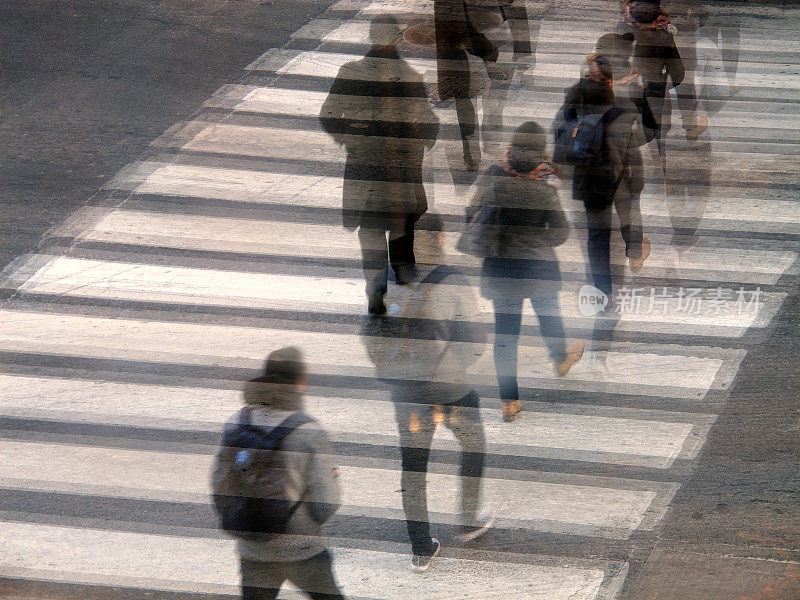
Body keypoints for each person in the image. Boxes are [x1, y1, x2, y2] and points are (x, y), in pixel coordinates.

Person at [361, 213, 492, 572]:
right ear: (438, 240)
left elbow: (370, 331)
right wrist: (457, 366)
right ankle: (467, 520)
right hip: (450, 388)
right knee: (473, 444)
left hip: (405, 392)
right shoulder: (453, 281)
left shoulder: (383, 279)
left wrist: (390, 371)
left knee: (413, 465)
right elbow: (475, 338)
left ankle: (420, 547)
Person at [319, 14, 440, 315]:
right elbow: (428, 124)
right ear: (398, 40)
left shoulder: (350, 72)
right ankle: (403, 268)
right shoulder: (411, 76)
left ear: (371, 38)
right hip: (400, 166)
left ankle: (375, 289)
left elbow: (328, 115)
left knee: (370, 228)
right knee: (400, 220)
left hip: (363, 166)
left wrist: (351, 139)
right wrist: (416, 143)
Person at [212, 347, 344, 600]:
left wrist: (243, 521)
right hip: (301, 549)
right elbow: (328, 499)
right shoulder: (307, 430)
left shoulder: (236, 422)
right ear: (300, 383)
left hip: (252, 548)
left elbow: (218, 481)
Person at [473, 122, 584, 422]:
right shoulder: (543, 188)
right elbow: (561, 232)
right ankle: (560, 360)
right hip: (537, 268)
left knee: (506, 336)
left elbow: (471, 214)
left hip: (500, 268)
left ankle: (509, 401)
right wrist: (538, 241)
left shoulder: (493, 177)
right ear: (539, 150)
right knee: (549, 314)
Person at [554, 46, 650, 358]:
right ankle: (633, 249)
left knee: (596, 236)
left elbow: (561, 128)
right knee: (628, 211)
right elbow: (646, 131)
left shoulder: (576, 94)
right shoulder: (624, 100)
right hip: (619, 172)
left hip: (589, 176)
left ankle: (605, 293)